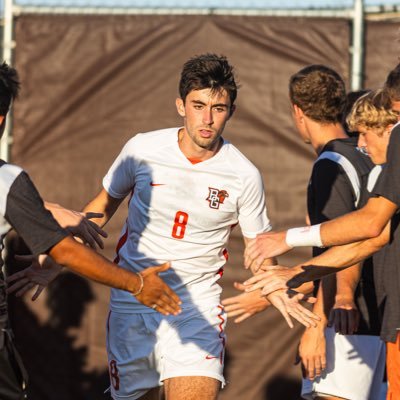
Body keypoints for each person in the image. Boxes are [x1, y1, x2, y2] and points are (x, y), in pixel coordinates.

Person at [33, 53, 315, 400]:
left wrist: (274, 288)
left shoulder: (244, 175)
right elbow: (100, 209)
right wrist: (60, 255)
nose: (208, 119)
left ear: (232, 112)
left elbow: (260, 250)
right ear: (181, 105)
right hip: (134, 300)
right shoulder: (142, 149)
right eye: (199, 105)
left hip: (196, 309)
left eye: (219, 108)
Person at [0, 61, 181, 400]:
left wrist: (47, 209)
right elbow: (64, 250)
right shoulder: (8, 182)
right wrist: (137, 283)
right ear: (1, 120)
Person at [244, 88, 399, 399]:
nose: (362, 144)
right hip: (381, 322)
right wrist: (300, 274)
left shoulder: (333, 162)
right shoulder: (375, 169)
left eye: (366, 133)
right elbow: (370, 241)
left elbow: (365, 229)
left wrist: (321, 318)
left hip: (355, 323)